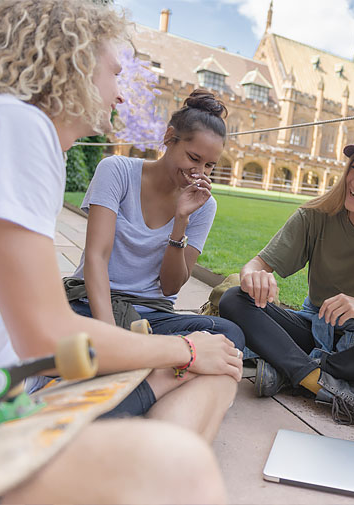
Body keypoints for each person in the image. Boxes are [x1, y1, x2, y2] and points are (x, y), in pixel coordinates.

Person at [0, 0, 239, 502]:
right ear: (72, 60)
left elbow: (169, 288)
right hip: (3, 414)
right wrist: (181, 351)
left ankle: (144, 453)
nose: (120, 93)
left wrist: (181, 225)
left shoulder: (10, 125)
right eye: (114, 71)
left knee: (220, 362)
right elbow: (47, 335)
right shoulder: (18, 126)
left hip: (12, 389)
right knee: (188, 452)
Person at [219, 129, 354, 434]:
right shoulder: (316, 215)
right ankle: (323, 385)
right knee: (234, 299)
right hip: (317, 330)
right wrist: (253, 276)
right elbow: (256, 265)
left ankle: (291, 373)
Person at [63, 88, 245, 426]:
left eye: (209, 165)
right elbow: (96, 257)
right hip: (94, 305)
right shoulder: (116, 170)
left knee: (229, 337)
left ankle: (139, 381)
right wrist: (110, 340)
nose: (199, 172)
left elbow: (170, 286)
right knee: (208, 360)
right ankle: (148, 380)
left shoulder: (204, 205)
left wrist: (181, 223)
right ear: (168, 138)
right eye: (193, 158)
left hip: (151, 318)